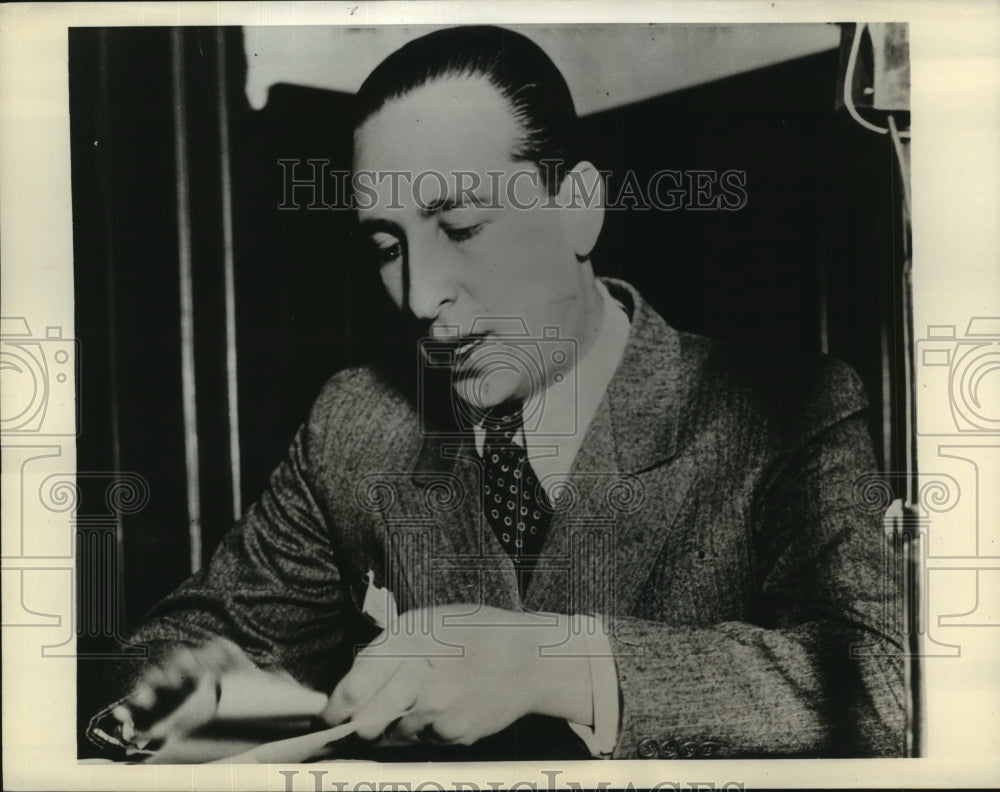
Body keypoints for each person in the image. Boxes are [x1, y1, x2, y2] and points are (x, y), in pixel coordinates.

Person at [90, 25, 905, 760]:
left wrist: (549, 663)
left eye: (462, 228)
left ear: (578, 208)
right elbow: (180, 648)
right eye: (386, 244)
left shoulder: (784, 406)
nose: (418, 295)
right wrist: (173, 684)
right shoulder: (354, 422)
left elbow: (880, 684)